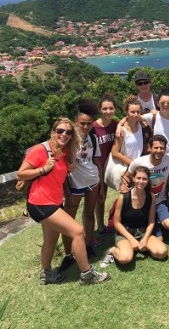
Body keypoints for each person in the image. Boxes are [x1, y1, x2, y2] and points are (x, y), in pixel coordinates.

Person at [17, 118, 110, 285]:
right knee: (77, 232)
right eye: (60, 131)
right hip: (40, 203)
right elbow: (20, 174)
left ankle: (45, 274)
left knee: (51, 240)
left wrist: (69, 168)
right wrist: (43, 169)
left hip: (53, 201)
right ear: (53, 132)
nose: (64, 134)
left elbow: (63, 173)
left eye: (68, 132)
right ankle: (87, 274)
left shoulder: (63, 151)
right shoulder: (40, 150)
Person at [60, 98, 102, 270]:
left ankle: (87, 244)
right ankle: (69, 254)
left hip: (92, 180)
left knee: (89, 213)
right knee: (68, 220)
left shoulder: (93, 137)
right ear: (76, 123)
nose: (85, 127)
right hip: (75, 184)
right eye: (82, 123)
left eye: (88, 124)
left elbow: (97, 161)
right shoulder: (68, 139)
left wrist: (101, 186)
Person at [100, 166, 167, 267]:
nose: (141, 181)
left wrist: (145, 239)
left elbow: (151, 221)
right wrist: (131, 239)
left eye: (144, 179)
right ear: (134, 179)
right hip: (125, 233)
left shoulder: (150, 196)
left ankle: (139, 246)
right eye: (138, 178)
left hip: (142, 232)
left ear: (148, 180)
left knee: (162, 253)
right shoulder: (123, 197)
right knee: (125, 258)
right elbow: (117, 223)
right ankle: (112, 250)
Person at [120, 135, 169, 233]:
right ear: (149, 147)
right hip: (143, 203)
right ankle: (155, 226)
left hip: (160, 201)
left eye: (162, 148)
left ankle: (160, 223)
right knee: (155, 234)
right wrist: (124, 186)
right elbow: (126, 177)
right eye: (156, 147)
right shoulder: (138, 162)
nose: (159, 151)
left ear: (165, 149)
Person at [105, 95, 148, 191]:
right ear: (126, 112)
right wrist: (133, 164)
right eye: (132, 112)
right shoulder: (122, 131)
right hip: (126, 168)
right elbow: (115, 152)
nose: (135, 115)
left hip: (137, 167)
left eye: (138, 112)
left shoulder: (141, 125)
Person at [92, 93, 118, 235]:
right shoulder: (94, 127)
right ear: (100, 109)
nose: (108, 111)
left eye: (111, 108)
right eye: (105, 108)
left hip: (111, 167)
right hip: (97, 168)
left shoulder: (115, 124)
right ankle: (101, 226)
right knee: (100, 198)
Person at [142, 88, 169, 154]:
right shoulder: (153, 116)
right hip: (157, 155)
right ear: (158, 104)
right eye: (162, 103)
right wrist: (120, 125)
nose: (165, 105)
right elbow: (133, 117)